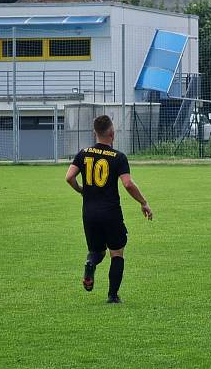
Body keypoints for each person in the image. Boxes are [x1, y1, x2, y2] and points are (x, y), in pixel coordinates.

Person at [65, 115, 153, 304]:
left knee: (97, 252)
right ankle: (112, 296)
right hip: (111, 212)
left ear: (94, 133)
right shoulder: (118, 157)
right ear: (112, 134)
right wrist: (143, 202)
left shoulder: (83, 153)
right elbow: (128, 184)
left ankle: (90, 265)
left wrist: (82, 191)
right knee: (117, 253)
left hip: (89, 212)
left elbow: (69, 177)